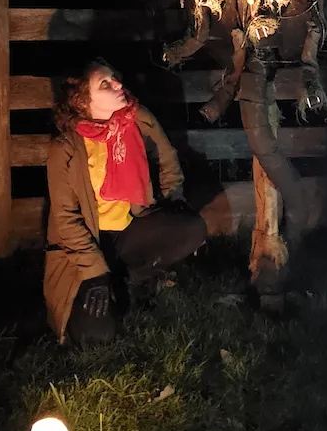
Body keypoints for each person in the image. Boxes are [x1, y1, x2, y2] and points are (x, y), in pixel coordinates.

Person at [44, 59, 207, 346]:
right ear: (83, 102)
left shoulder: (137, 118)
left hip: (130, 231)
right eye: (105, 84)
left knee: (192, 228)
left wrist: (173, 205)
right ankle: (109, 278)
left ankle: (125, 277)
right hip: (87, 246)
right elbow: (66, 218)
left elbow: (168, 160)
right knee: (95, 336)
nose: (118, 84)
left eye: (115, 78)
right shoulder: (65, 148)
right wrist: (95, 274)